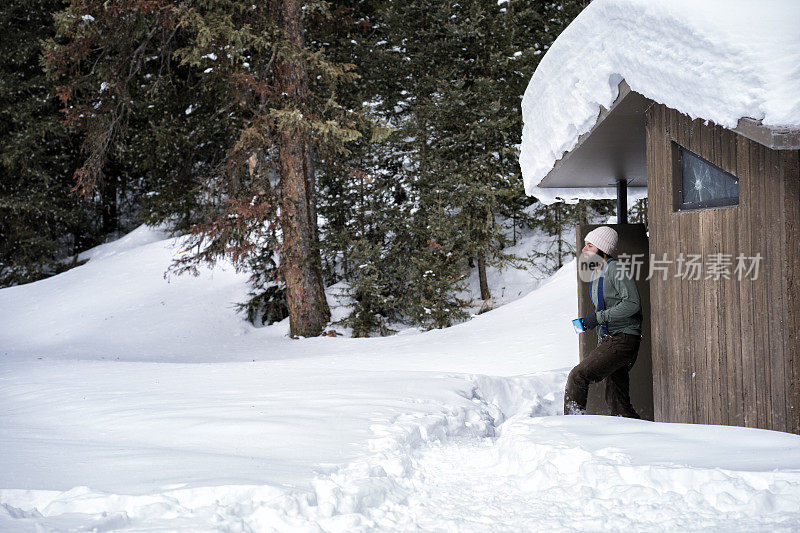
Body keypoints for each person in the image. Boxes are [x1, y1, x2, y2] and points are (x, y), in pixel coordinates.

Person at [565, 226, 643, 418]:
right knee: (618, 402)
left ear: (602, 248)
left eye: (589, 246)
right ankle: (639, 439)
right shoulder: (597, 272)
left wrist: (597, 318)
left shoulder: (616, 269)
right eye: (585, 245)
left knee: (578, 376)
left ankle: (571, 425)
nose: (584, 250)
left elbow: (632, 303)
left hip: (624, 338)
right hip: (613, 339)